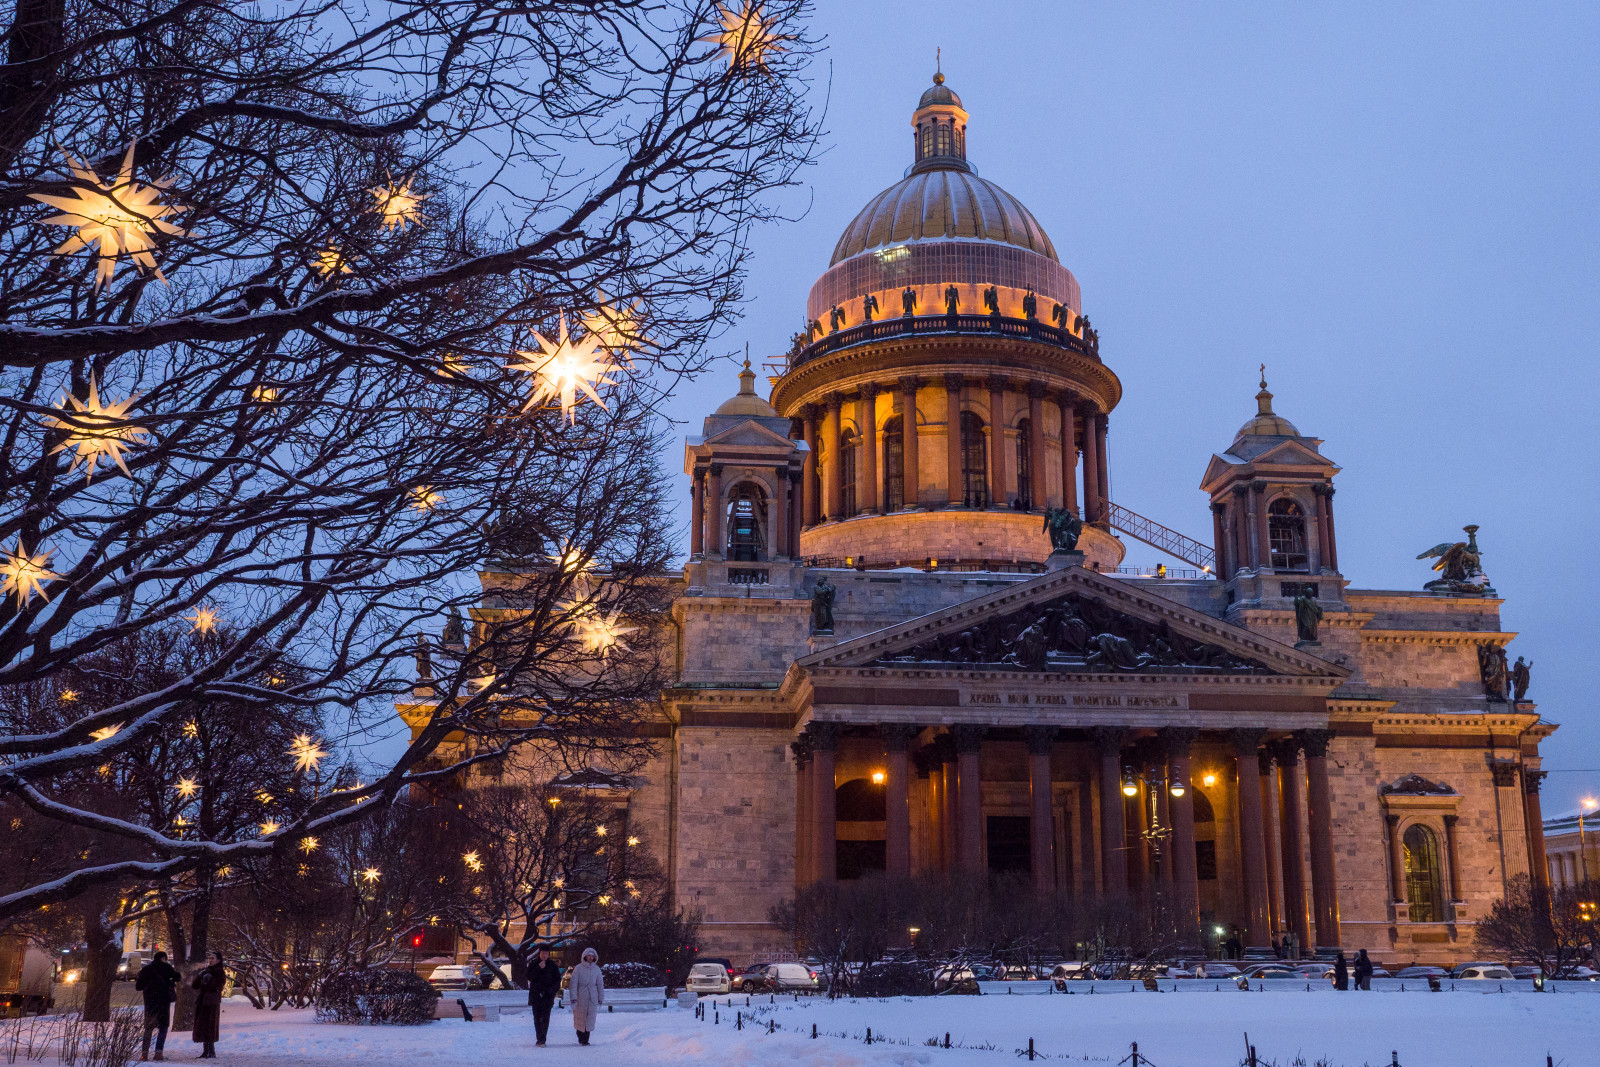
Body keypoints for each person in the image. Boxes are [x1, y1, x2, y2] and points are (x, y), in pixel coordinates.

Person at [135, 951, 181, 1062]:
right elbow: (177, 977)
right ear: (163, 958)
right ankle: (158, 1053)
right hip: (163, 1003)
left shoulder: (146, 969)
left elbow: (138, 986)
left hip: (150, 1003)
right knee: (163, 1027)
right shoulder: (167, 968)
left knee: (148, 1028)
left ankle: (144, 1054)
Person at [191, 951, 228, 1059]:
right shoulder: (206, 971)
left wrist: (209, 980)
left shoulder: (219, 972)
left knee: (210, 1025)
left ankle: (211, 1051)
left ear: (218, 960)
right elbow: (195, 986)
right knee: (203, 1025)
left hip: (211, 1002)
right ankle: (205, 1050)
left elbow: (218, 987)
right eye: (209, 958)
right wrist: (200, 976)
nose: (210, 960)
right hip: (203, 1001)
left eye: (212, 958)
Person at [527, 944, 562, 1048]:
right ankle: (539, 1038)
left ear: (549, 954)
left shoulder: (552, 965)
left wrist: (550, 990)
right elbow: (529, 977)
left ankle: (543, 1039)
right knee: (537, 1018)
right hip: (536, 995)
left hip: (547, 996)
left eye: (546, 953)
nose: (544, 955)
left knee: (545, 1018)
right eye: (543, 953)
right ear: (539, 953)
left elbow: (557, 980)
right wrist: (538, 968)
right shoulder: (534, 963)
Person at [568, 947, 605, 1047]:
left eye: (592, 956)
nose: (590, 957)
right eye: (589, 955)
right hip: (581, 996)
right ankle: (580, 1036)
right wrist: (573, 998)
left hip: (592, 997)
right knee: (580, 1017)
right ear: (585, 956)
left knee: (590, 1018)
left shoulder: (597, 969)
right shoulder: (578, 968)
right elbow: (574, 983)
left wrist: (600, 998)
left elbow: (600, 984)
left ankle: (586, 1039)